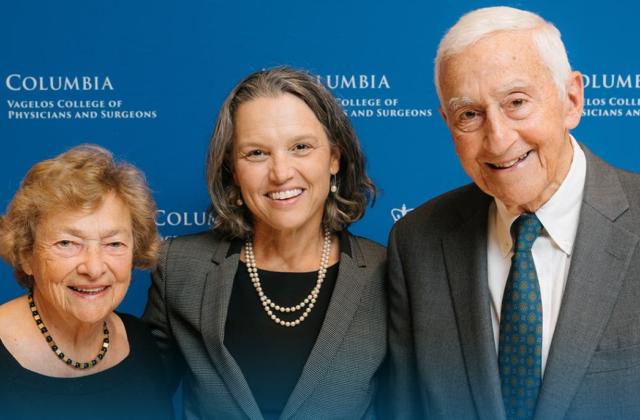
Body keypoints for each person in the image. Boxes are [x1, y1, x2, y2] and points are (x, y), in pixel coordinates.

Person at [384, 6, 640, 420]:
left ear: (571, 100)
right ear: (448, 122)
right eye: (470, 114)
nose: (498, 139)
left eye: (517, 102)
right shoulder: (417, 243)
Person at [143, 66, 386, 419]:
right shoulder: (179, 268)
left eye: (301, 147)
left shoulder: (387, 274)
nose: (281, 172)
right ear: (232, 167)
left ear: (335, 157)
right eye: (256, 153)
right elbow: (135, 399)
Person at [0, 145, 174, 420]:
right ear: (26, 256)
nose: (93, 268)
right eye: (68, 243)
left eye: (114, 243)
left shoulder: (142, 343)